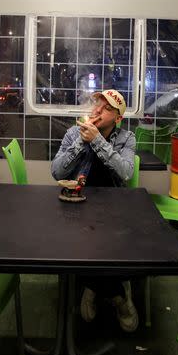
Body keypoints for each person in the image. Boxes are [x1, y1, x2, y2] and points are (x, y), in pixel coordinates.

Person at [50, 89, 139, 332]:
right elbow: (57, 172)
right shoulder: (73, 133)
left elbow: (126, 173)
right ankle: (119, 294)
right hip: (78, 204)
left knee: (114, 243)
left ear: (118, 118)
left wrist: (97, 140)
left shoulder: (126, 138)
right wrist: (82, 140)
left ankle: (92, 287)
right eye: (97, 104)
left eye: (107, 108)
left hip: (114, 207)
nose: (97, 110)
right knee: (81, 243)